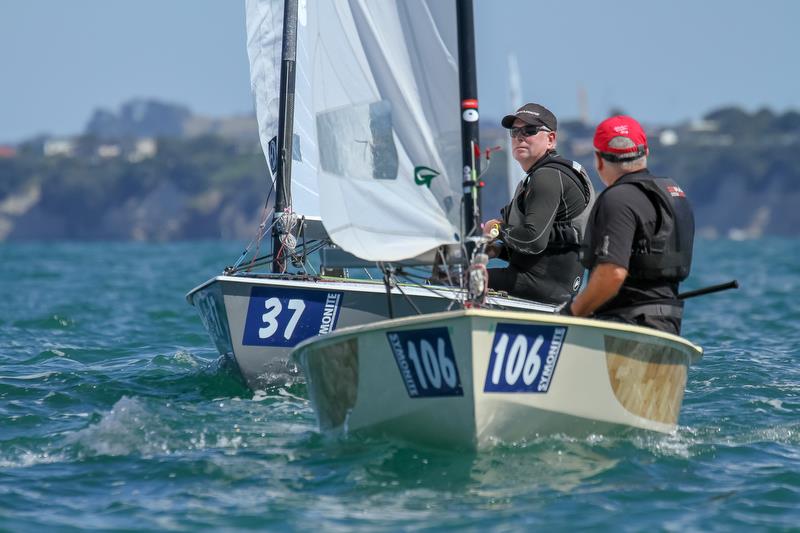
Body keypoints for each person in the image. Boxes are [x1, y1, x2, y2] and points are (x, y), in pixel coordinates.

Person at [563, 115, 695, 335]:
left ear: (599, 160)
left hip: (624, 328)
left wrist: (570, 315)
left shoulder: (617, 199)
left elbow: (612, 274)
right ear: (646, 153)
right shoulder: (673, 194)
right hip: (668, 326)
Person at [483, 103, 595, 305]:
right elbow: (550, 246)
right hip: (552, 289)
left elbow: (533, 242)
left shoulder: (547, 176)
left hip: (538, 288)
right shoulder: (545, 175)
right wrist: (498, 251)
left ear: (551, 139)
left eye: (529, 130)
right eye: (514, 131)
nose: (519, 136)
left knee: (454, 280)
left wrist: (497, 229)